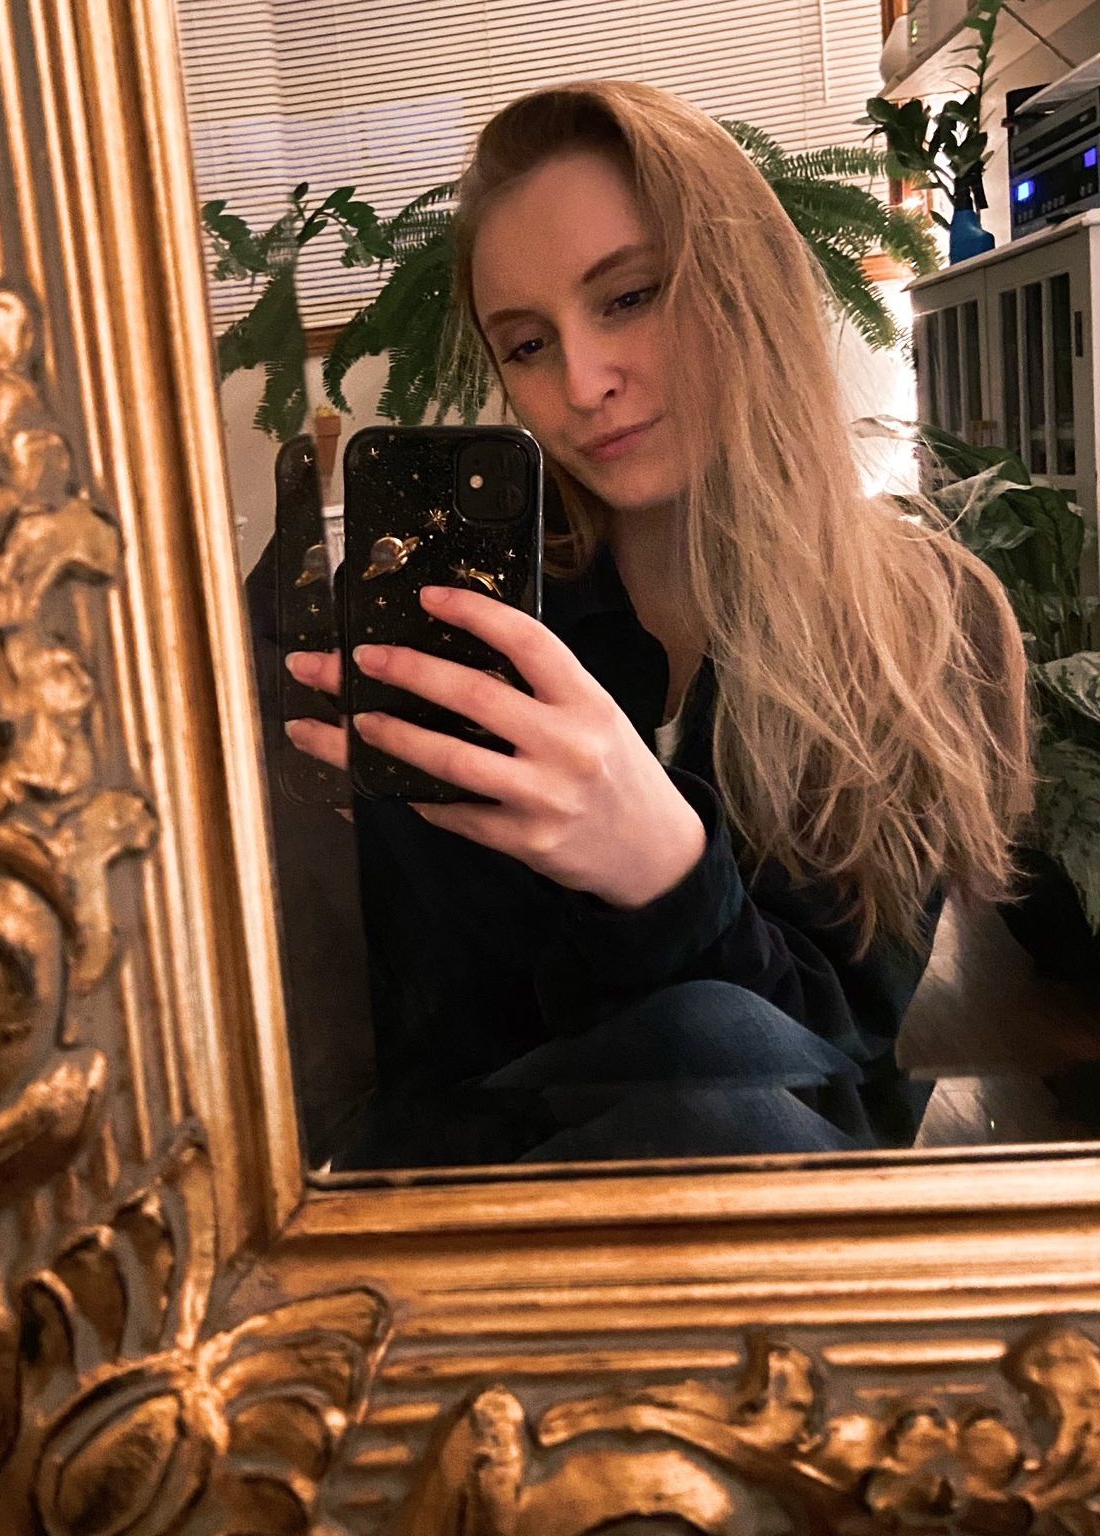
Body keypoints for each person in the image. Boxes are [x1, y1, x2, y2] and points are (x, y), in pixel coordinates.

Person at [273, 80, 1033, 1168]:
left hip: (757, 1236)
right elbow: (417, 1067)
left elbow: (831, 1072)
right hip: (482, 1219)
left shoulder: (917, 626)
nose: (584, 382)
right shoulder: (481, 622)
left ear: (746, 286)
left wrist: (666, 870)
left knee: (713, 1045)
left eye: (627, 298)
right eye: (527, 344)